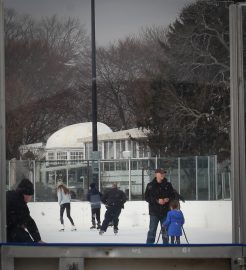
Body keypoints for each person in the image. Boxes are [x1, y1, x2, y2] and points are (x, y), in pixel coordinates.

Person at [6, 178, 44, 243]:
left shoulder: (11, 195)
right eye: (31, 195)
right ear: (26, 194)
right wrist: (38, 240)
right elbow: (28, 221)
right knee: (26, 242)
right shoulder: (19, 202)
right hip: (7, 231)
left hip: (6, 229)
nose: (31, 198)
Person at [145, 168, 175, 244]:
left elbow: (173, 196)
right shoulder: (150, 185)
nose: (162, 174)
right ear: (156, 174)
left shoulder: (168, 185)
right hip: (154, 212)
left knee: (165, 230)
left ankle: (166, 245)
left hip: (165, 212)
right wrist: (157, 200)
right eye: (161, 173)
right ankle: (149, 245)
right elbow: (146, 197)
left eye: (164, 173)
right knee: (152, 230)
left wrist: (168, 199)